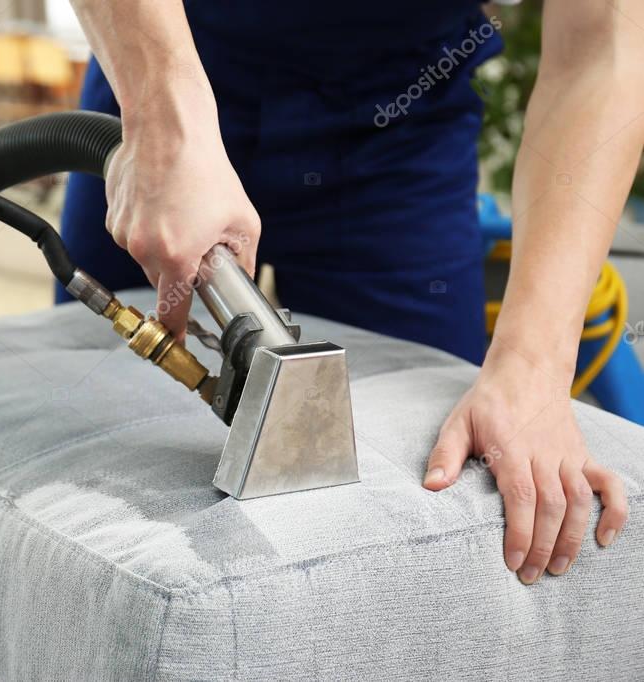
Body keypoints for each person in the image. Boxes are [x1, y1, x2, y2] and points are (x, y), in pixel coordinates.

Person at [59, 0, 640, 584]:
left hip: (398, 119)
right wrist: (163, 120)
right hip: (165, 57)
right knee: (96, 447)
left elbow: (603, 45)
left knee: (436, 483)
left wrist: (533, 368)